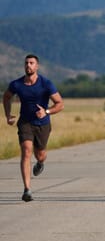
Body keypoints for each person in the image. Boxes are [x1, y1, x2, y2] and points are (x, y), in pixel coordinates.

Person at [3, 54, 64, 202]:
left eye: (31, 63)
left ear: (37, 66)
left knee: (40, 154)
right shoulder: (16, 84)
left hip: (42, 124)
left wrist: (46, 111)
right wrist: (8, 114)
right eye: (26, 63)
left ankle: (41, 163)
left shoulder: (46, 83)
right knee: (26, 151)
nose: (28, 65)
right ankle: (27, 189)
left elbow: (60, 104)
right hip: (25, 123)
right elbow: (6, 97)